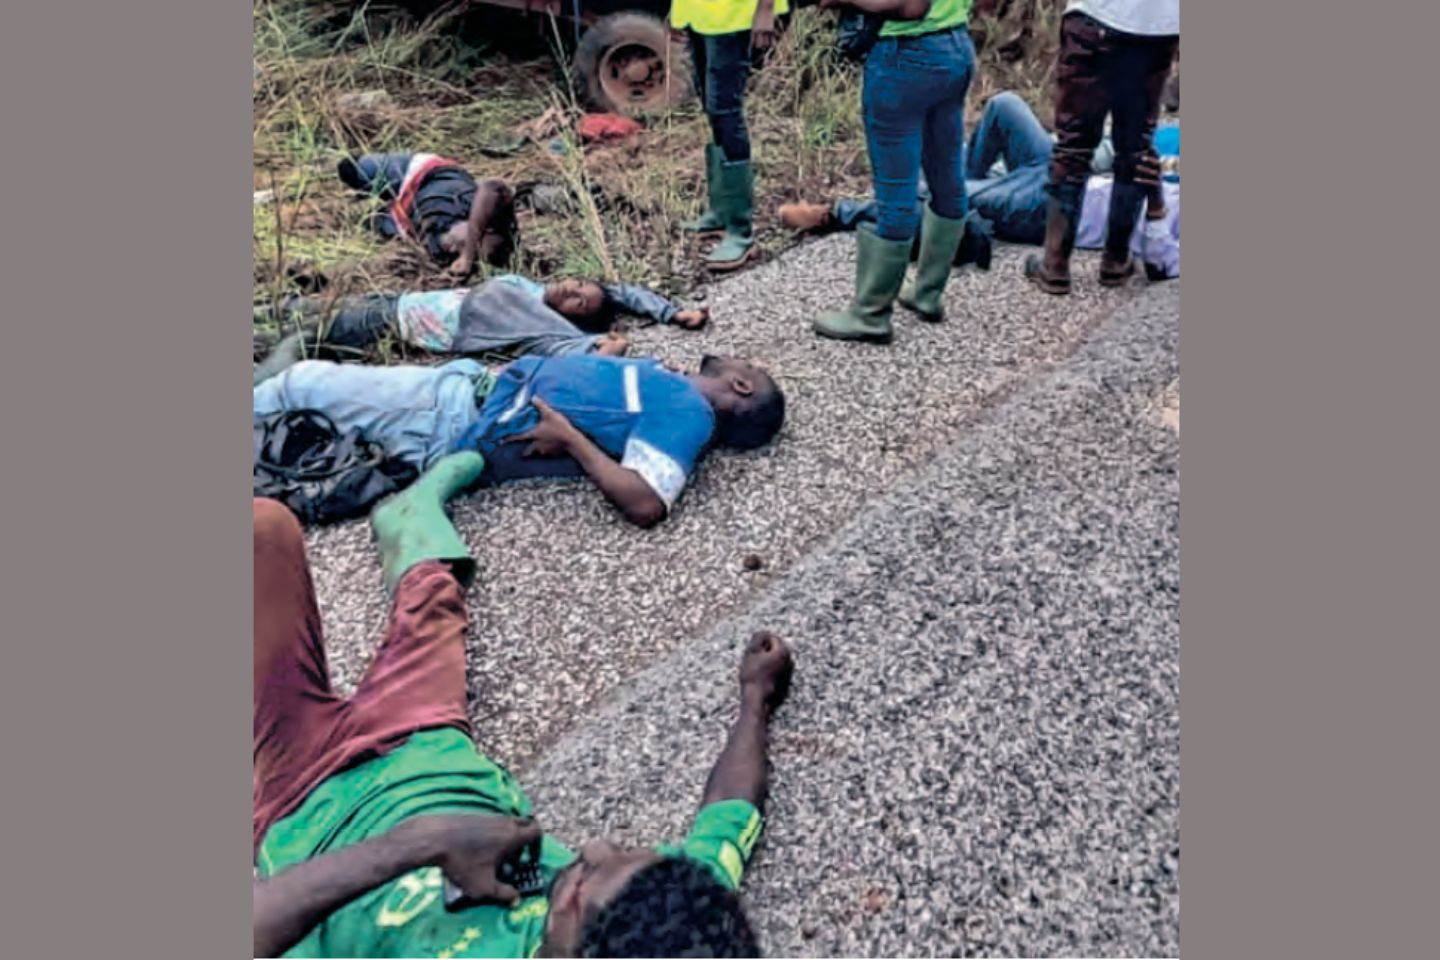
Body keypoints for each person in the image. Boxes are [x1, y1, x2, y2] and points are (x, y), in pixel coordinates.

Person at [252, 461, 796, 957]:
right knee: (434, 603)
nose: (596, 845)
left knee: (262, 531)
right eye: (625, 851)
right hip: (430, 744)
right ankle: (411, 517)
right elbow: (730, 810)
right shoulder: (679, 929)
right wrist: (755, 697)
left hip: (300, 791)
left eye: (582, 885)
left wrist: (421, 843)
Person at [253, 352, 786, 528]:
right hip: (464, 390)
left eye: (747, 368)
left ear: (740, 385)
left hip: (451, 413)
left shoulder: (689, 411)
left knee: (301, 384)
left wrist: (569, 438)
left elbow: (646, 502)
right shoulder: (672, 395)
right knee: (289, 412)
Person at [780, 91, 1179, 281]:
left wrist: (1157, 200)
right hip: (1072, 173)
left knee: (944, 186)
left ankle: (835, 213)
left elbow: (1161, 265)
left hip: (1051, 208)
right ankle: (956, 186)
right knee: (1004, 105)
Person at [813, 0, 977, 343]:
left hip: (906, 55)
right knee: (947, 177)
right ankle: (927, 293)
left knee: (895, 190)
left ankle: (870, 314)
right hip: (955, 45)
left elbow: (909, 6)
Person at [252, 274, 710, 386]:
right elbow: (616, 290)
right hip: (391, 299)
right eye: (575, 282)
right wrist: (670, 311)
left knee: (282, 336)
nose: (570, 289)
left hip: (388, 323)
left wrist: (614, 341)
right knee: (279, 310)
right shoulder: (528, 289)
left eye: (577, 301)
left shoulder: (540, 327)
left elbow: (583, 350)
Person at [1024, 1, 1179, 294]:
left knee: (1073, 144)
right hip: (1160, 25)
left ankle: (1055, 265)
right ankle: (1115, 261)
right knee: (1135, 147)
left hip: (1096, 17)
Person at [671, 0, 785, 270]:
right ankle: (720, 212)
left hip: (733, 16)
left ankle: (740, 229)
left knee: (726, 111)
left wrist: (766, 8)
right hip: (698, 13)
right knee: (711, 108)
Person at [338, 152, 519, 278]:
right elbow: (493, 187)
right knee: (355, 171)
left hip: (411, 210)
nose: (455, 250)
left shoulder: (441, 249)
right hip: (429, 176)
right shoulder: (501, 231)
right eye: (462, 246)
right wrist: (468, 257)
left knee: (370, 221)